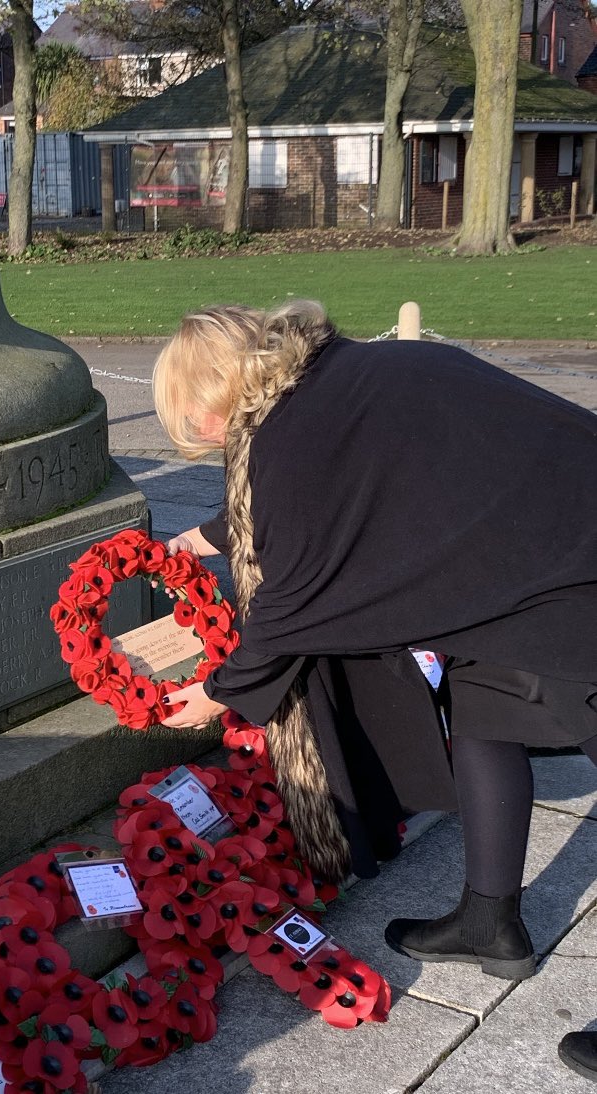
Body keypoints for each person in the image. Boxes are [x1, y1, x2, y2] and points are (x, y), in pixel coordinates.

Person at [152, 300, 597, 985]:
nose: (200, 434)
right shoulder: (332, 383)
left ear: (214, 390)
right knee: (485, 715)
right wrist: (210, 537)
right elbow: (309, 494)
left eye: (191, 415)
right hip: (521, 563)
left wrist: (216, 696)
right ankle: (489, 921)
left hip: (570, 566)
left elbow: (289, 604)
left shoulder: (292, 434)